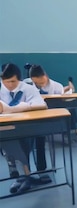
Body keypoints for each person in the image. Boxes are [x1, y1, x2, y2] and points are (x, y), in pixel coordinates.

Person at [0, 63, 49, 193]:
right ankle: (22, 177)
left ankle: (25, 176)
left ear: (19, 79)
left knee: (23, 141)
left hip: (25, 126)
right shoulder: (1, 89)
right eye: (6, 82)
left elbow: (42, 106)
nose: (9, 85)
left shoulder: (28, 89)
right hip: (5, 127)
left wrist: (20, 107)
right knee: (8, 142)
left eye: (13, 81)